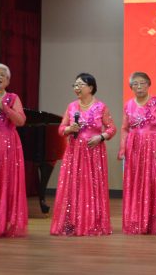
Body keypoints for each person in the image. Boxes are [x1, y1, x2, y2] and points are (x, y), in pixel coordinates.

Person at [50, 73, 116, 236]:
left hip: (94, 152)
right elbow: (61, 129)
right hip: (74, 152)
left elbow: (112, 128)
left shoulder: (101, 107)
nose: (77, 88)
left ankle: (92, 222)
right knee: (74, 186)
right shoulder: (71, 106)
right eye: (75, 85)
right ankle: (71, 222)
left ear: (91, 87)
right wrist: (69, 129)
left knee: (92, 187)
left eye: (80, 85)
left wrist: (101, 137)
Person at [118, 72, 156, 235]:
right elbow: (124, 128)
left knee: (154, 180)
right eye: (135, 84)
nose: (139, 87)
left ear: (149, 84)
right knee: (136, 182)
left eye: (142, 83)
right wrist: (122, 148)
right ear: (131, 87)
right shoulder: (128, 105)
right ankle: (136, 220)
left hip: (153, 145)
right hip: (134, 147)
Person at [0, 63, 27, 238]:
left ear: (8, 81)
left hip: (7, 146)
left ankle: (1, 223)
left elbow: (21, 121)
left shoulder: (12, 98)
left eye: (3, 75)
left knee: (4, 182)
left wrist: (5, 108)